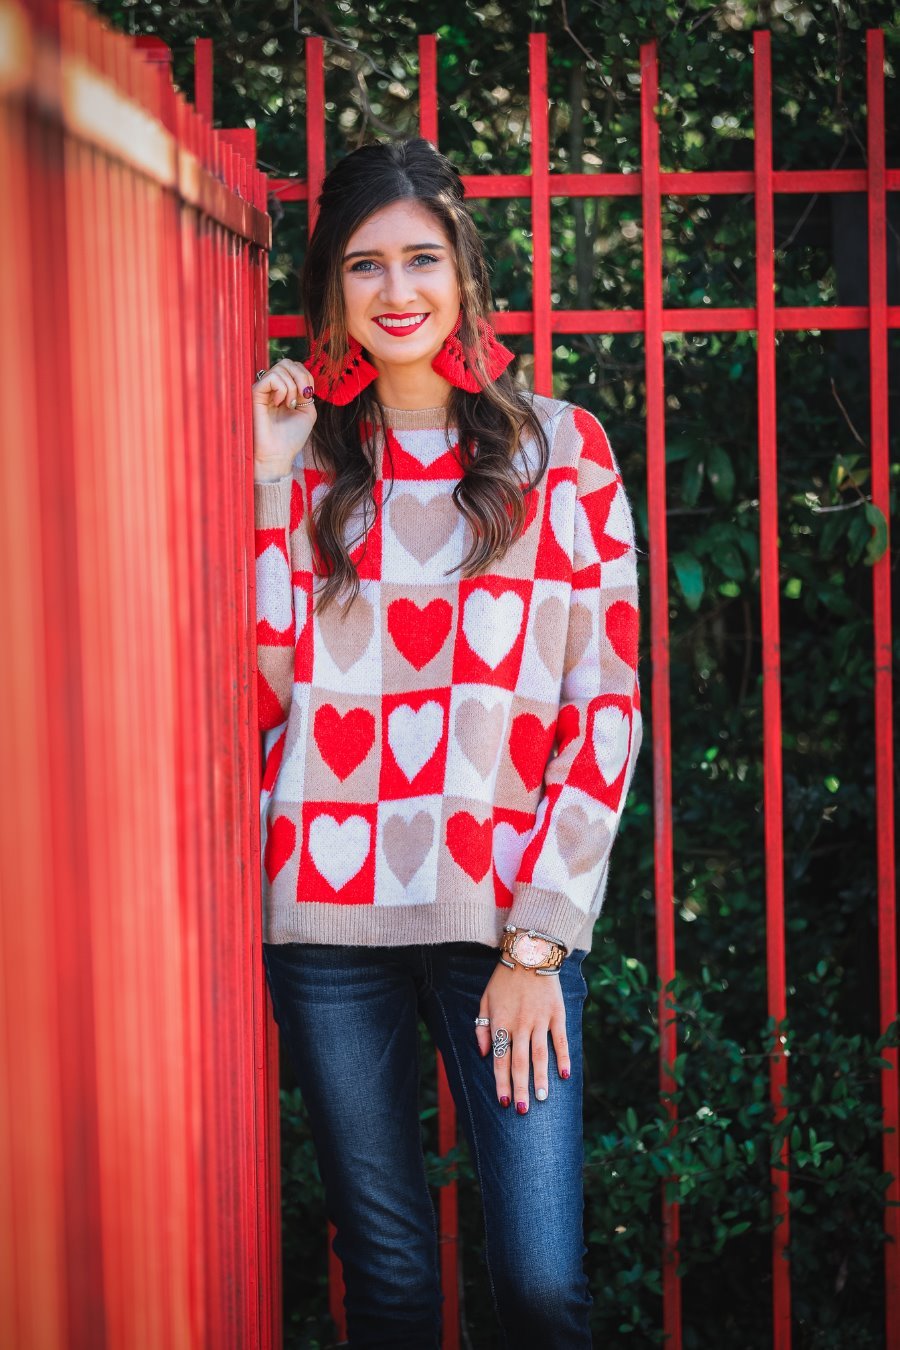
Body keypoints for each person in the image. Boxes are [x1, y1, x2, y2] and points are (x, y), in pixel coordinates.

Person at [250, 136, 642, 1350]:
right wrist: (270, 484)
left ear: (466, 273)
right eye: (364, 267)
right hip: (326, 924)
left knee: (538, 1288)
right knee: (392, 1288)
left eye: (422, 258)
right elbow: (268, 687)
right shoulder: (307, 455)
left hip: (501, 924)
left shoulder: (561, 451)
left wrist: (537, 941)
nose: (397, 290)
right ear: (332, 292)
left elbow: (608, 704)